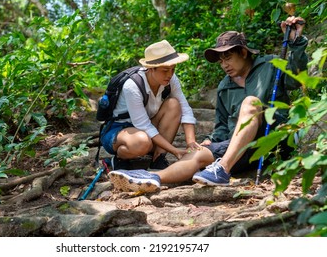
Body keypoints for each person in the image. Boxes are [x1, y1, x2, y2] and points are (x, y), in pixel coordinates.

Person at [108, 16, 308, 193]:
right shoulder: (224, 87)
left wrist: (296, 43)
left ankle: (222, 170)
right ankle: (153, 178)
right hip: (240, 149)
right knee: (199, 152)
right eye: (220, 61)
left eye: (228, 57)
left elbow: (296, 79)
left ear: (244, 53)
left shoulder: (270, 66)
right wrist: (210, 140)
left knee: (250, 102)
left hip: (273, 139)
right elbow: (222, 127)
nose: (224, 65)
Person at [100, 40, 198, 170]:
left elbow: (185, 107)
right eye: (165, 70)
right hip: (119, 131)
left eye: (173, 69)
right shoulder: (132, 86)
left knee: (174, 104)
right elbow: (144, 125)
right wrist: (175, 151)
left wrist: (191, 142)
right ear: (151, 68)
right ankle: (120, 158)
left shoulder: (170, 79)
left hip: (147, 127)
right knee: (142, 142)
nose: (170, 74)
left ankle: (158, 157)